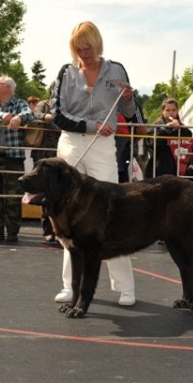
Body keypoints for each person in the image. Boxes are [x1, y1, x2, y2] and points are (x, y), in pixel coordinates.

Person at [50, 21, 136, 306]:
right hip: (72, 143)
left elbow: (130, 113)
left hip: (103, 146)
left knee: (112, 213)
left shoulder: (117, 69)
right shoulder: (66, 72)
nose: (83, 53)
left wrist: (129, 98)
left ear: (97, 44)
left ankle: (125, 287)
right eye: (78, 48)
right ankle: (70, 286)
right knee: (68, 216)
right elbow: (57, 114)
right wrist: (90, 124)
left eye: (87, 47)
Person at [0, 75, 34, 244]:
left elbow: (29, 113)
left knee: (13, 197)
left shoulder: (20, 103)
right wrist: (3, 115)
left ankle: (12, 234)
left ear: (7, 88)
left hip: (13, 157)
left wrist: (18, 117)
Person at [30, 96, 61, 242]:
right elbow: (35, 114)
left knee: (60, 194)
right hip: (43, 155)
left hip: (61, 155)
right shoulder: (44, 104)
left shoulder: (68, 106)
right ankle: (48, 230)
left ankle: (60, 229)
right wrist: (47, 117)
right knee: (45, 193)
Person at [145, 98, 193, 178]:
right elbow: (154, 144)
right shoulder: (155, 127)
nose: (171, 112)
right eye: (168, 110)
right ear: (163, 112)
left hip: (178, 170)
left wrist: (180, 129)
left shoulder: (183, 128)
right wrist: (167, 128)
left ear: (177, 111)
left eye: (173, 110)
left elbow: (189, 140)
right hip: (159, 170)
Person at [115, 106, 147, 183]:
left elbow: (142, 129)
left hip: (124, 150)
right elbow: (142, 130)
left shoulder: (134, 105)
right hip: (125, 149)